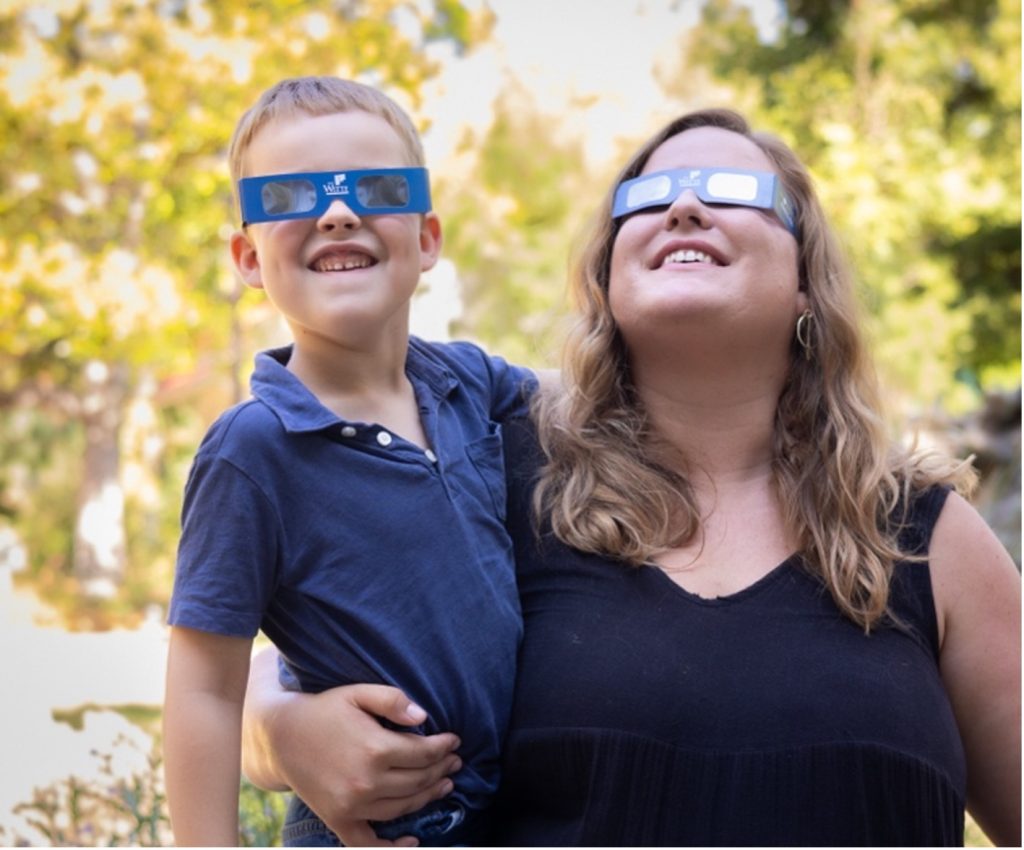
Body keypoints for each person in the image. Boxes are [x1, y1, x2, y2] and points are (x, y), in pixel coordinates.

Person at [240, 108, 1022, 846]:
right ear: (607, 280)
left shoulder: (926, 537)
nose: (683, 207)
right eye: (647, 197)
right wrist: (282, 735)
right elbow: (287, 649)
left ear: (806, 283)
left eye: (732, 190)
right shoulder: (493, 475)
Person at [162, 76, 537, 848]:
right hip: (377, 829)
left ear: (427, 238)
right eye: (292, 195)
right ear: (248, 257)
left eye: (375, 187)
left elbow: (593, 399)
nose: (337, 212)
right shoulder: (253, 451)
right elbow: (204, 689)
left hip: (509, 817)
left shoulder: (467, 382)